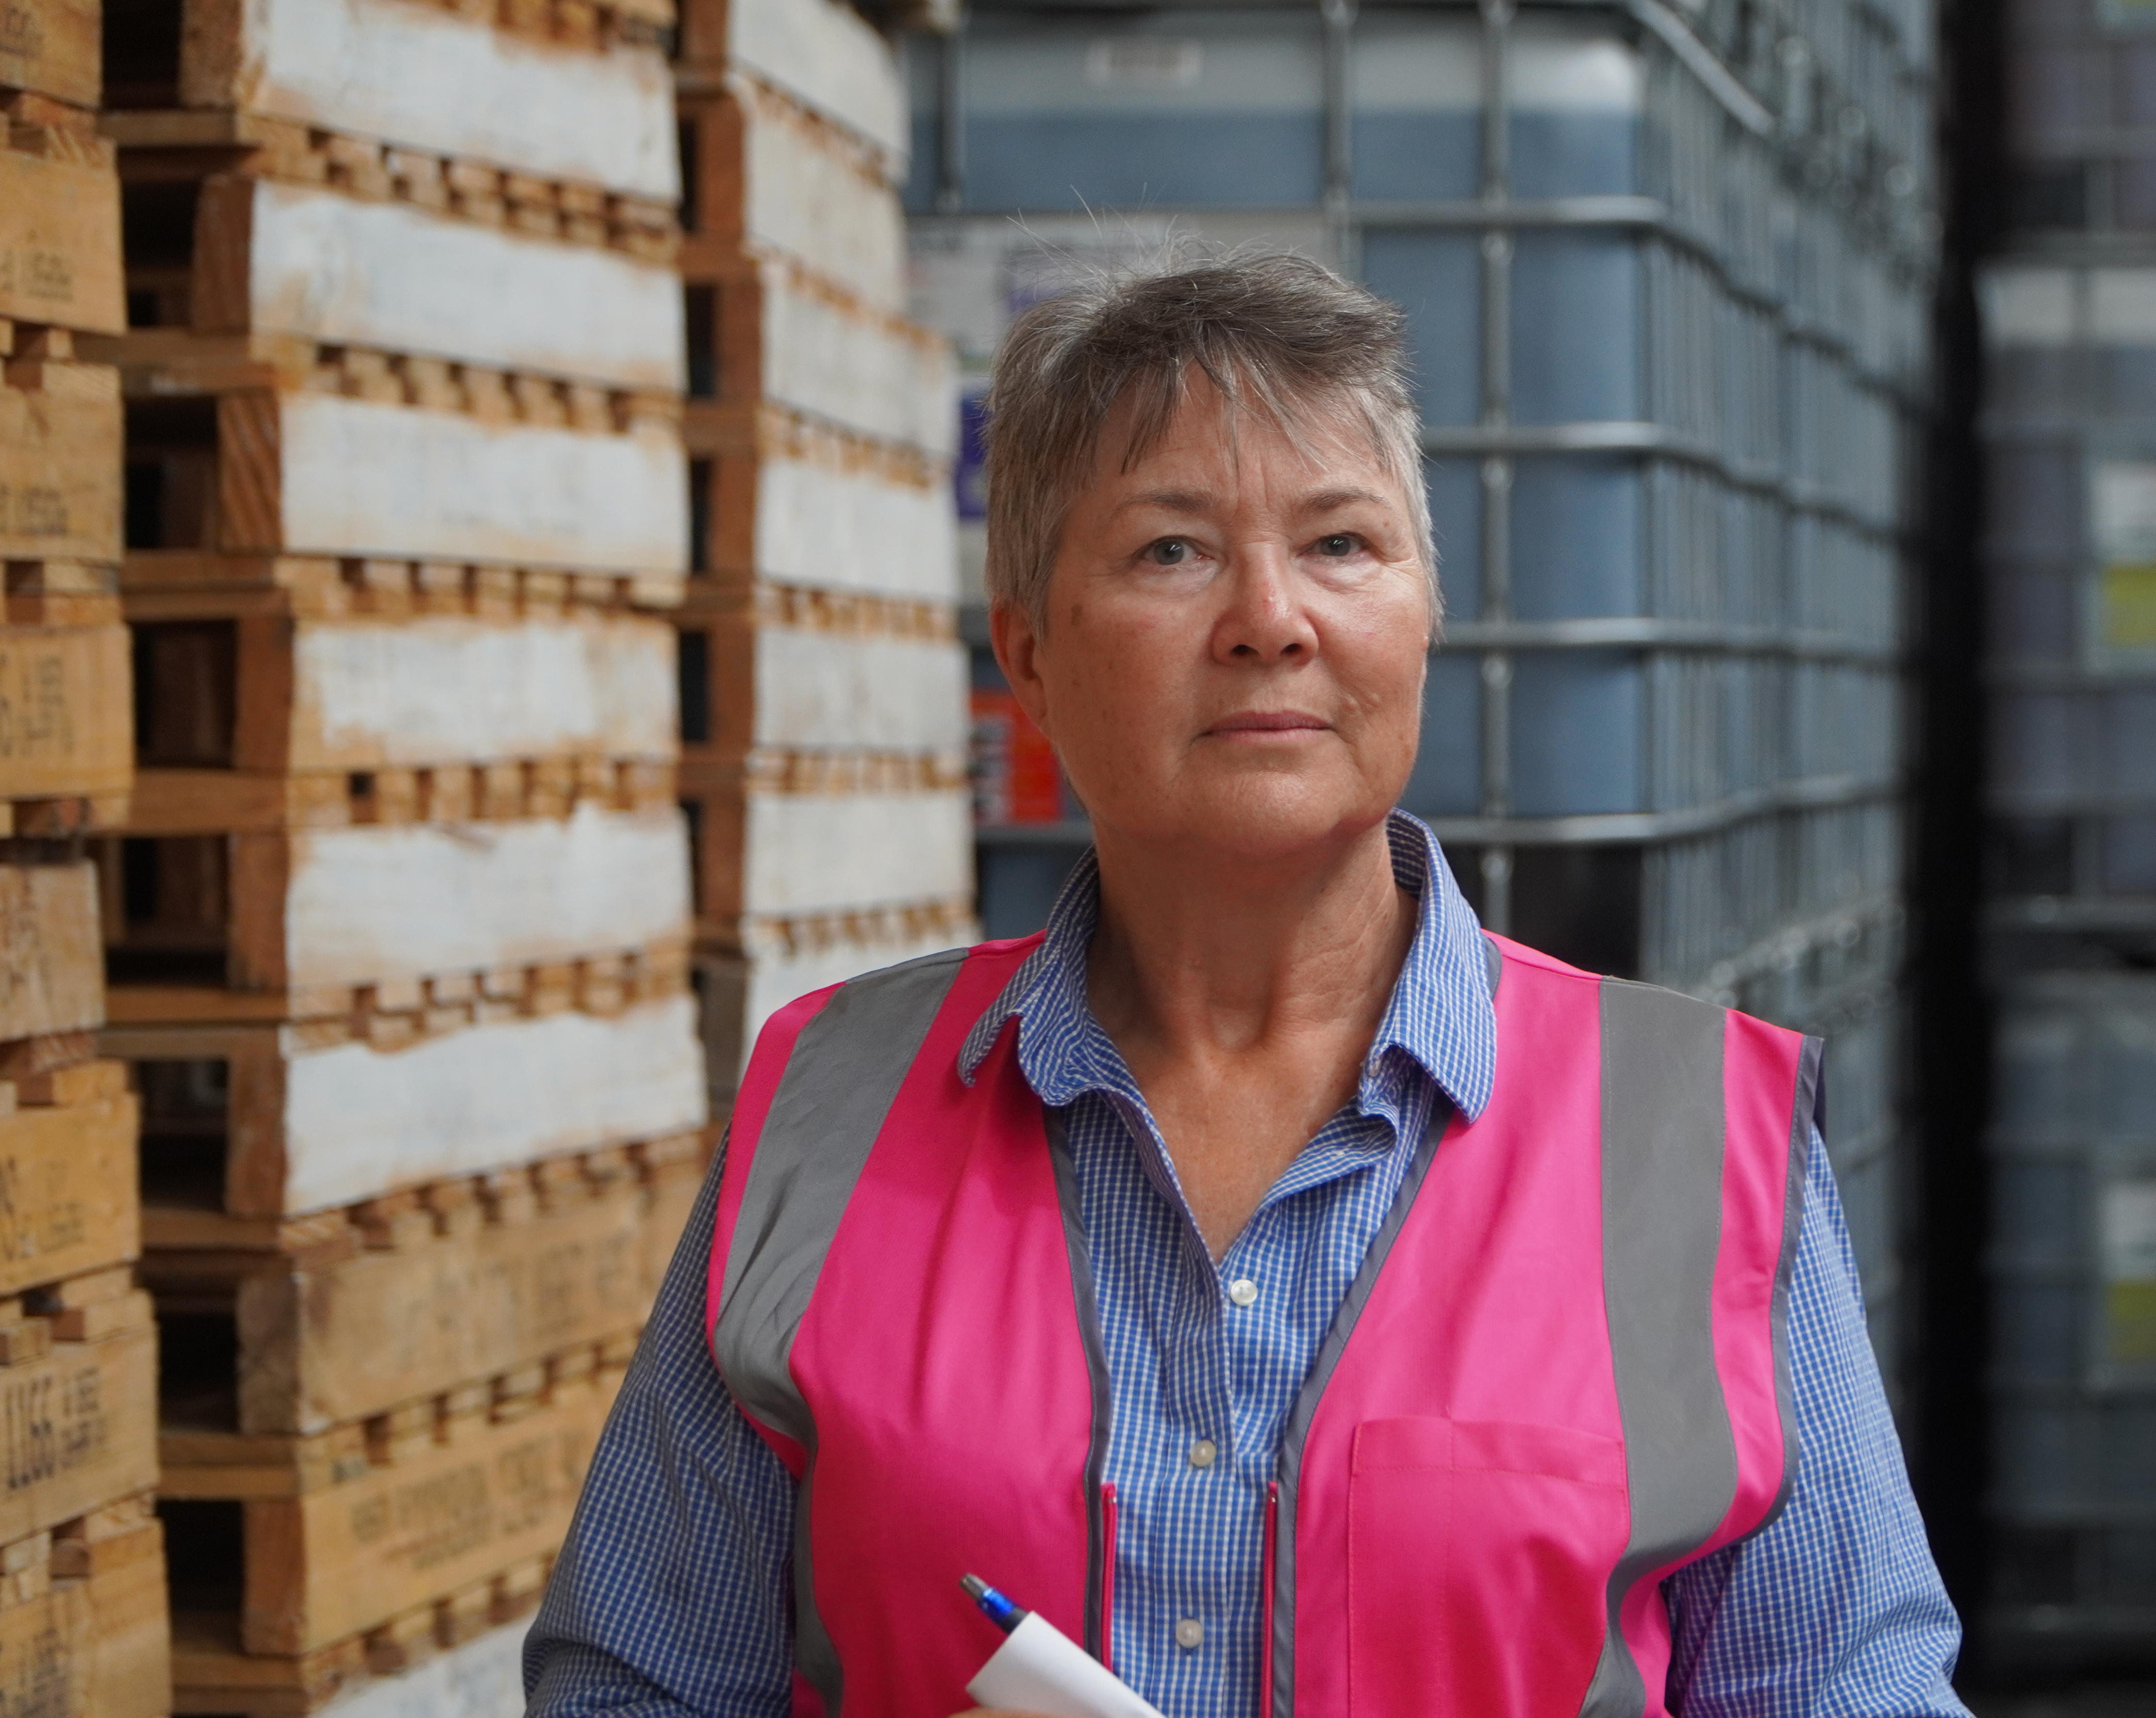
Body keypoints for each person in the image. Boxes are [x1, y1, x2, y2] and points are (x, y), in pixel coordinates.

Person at [524, 254, 1968, 1718]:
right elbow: (637, 1687)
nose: (1271, 619)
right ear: (1026, 653)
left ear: (1423, 620)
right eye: (1172, 552)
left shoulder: (1697, 1131)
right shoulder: (830, 1105)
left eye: (1343, 544)